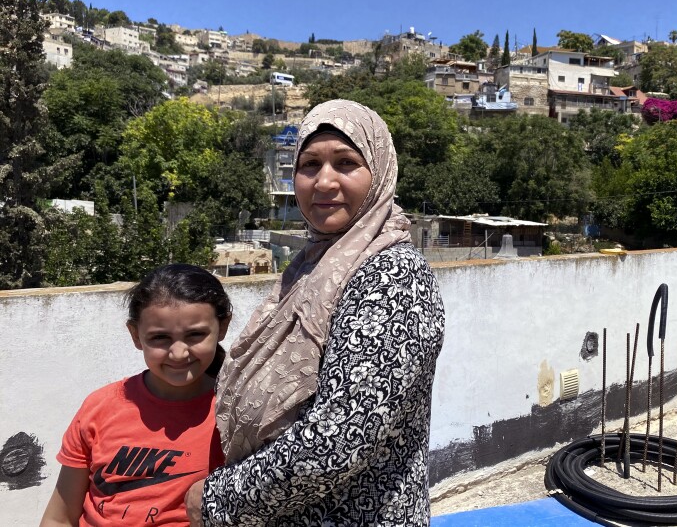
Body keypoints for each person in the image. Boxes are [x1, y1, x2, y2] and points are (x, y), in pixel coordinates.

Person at [186, 100, 445, 526]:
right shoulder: (315, 264)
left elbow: (339, 441)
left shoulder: (393, 275)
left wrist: (217, 501)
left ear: (379, 173)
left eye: (346, 163)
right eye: (309, 164)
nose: (324, 182)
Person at [39, 264, 231, 527]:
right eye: (160, 338)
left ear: (222, 327)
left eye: (195, 335)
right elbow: (59, 518)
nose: (178, 353)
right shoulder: (100, 406)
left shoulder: (234, 414)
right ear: (135, 335)